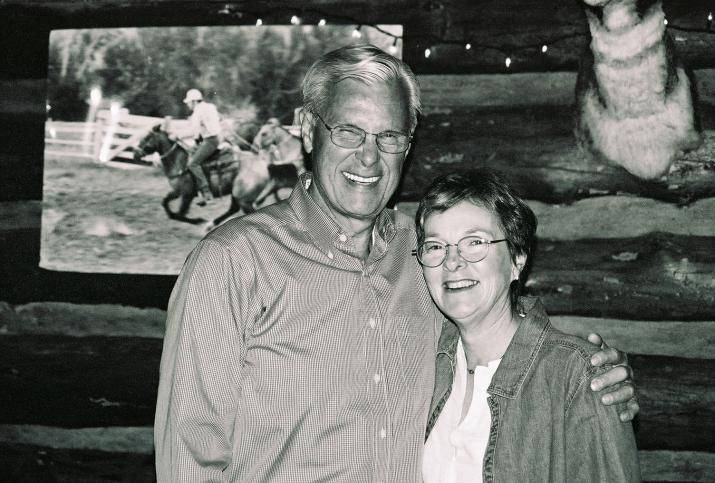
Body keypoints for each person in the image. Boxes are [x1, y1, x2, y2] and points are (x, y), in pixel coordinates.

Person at [154, 44, 637, 482]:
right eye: (348, 131)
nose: (369, 157)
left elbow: (495, 324)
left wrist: (585, 375)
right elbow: (189, 458)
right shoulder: (233, 263)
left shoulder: (423, 256)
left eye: (390, 137)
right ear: (307, 129)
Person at [418, 170, 640, 482]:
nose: (453, 261)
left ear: (517, 258)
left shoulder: (576, 377)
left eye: (474, 242)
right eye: (436, 246)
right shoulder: (422, 361)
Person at [183, 88, 222, 205]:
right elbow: (219, 118)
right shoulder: (210, 106)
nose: (188, 105)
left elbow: (195, 133)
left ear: (194, 101)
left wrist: (178, 135)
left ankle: (206, 193)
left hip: (210, 140)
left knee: (193, 164)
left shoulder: (197, 113)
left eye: (189, 102)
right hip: (217, 137)